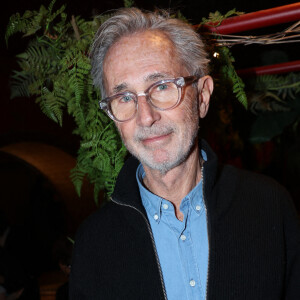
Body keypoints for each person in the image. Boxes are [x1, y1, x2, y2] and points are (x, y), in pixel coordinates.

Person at [69, 7, 300, 300]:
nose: (146, 117)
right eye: (125, 97)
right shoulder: (94, 243)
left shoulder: (269, 206)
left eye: (162, 86)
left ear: (202, 97)